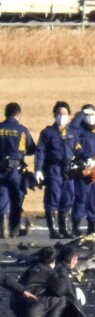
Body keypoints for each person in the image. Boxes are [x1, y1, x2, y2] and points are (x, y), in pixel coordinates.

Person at [1, 245, 84, 317]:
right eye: (76, 258)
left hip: (16, 307)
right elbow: (61, 290)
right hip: (29, 308)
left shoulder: (33, 268)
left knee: (43, 295)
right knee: (61, 298)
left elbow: (5, 279)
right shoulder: (50, 271)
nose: (77, 261)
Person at [35, 102, 75, 239]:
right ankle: (54, 230)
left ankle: (66, 229)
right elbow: (40, 151)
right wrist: (38, 169)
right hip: (54, 169)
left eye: (64, 113)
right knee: (53, 198)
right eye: (58, 113)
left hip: (69, 170)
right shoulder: (47, 132)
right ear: (54, 115)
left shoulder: (73, 132)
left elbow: (79, 149)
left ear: (69, 115)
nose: (61, 116)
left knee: (67, 198)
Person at [67, 104, 95, 237]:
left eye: (93, 114)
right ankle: (76, 225)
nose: (91, 118)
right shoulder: (78, 132)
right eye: (88, 115)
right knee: (81, 198)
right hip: (83, 169)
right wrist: (85, 158)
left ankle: (92, 225)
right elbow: (74, 142)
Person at [0, 102, 35, 239]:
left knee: (2, 198)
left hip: (1, 171)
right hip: (16, 171)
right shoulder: (22, 130)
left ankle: (3, 228)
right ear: (18, 114)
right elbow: (32, 149)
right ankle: (14, 229)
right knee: (17, 199)